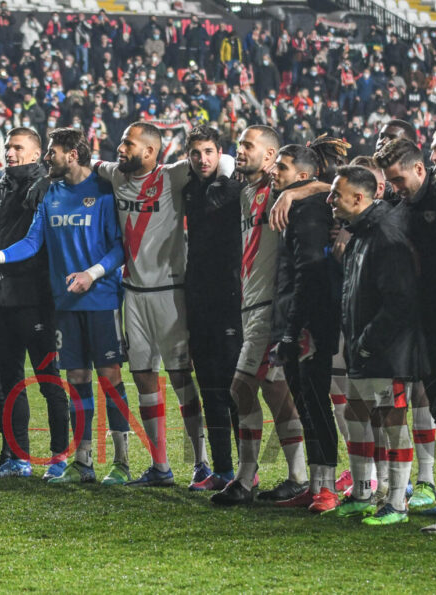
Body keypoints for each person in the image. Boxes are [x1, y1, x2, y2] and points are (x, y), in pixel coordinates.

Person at [0, 128, 134, 484]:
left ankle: (122, 462)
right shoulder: (51, 193)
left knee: (109, 378)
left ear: (72, 154)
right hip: (64, 304)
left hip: (101, 299)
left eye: (52, 153)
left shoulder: (103, 191)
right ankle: (83, 461)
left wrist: (92, 274)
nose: (47, 159)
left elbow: (120, 247)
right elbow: (32, 241)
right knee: (76, 379)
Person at [94, 122, 214, 487]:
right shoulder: (115, 175)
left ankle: (201, 462)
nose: (120, 148)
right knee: (144, 376)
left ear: (149, 151)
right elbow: (89, 166)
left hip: (169, 292)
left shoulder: (173, 176)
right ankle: (160, 466)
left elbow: (218, 164)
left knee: (180, 377)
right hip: (132, 293)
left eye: (128, 143)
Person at [210, 126, 307, 506]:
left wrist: (298, 189)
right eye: (240, 145)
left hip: (270, 306)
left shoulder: (279, 189)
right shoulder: (246, 191)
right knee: (270, 389)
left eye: (249, 146)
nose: (241, 150)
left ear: (271, 156)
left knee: (245, 388)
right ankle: (291, 476)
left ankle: (251, 478)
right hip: (251, 303)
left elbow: (324, 184)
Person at [328, 165, 427, 526]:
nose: (330, 201)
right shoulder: (360, 230)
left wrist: (369, 341)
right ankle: (362, 492)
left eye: (336, 195)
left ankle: (397, 502)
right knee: (357, 414)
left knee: (391, 421)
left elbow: (400, 301)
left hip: (388, 350)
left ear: (359, 198)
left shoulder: (386, 234)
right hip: (362, 344)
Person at [373, 138, 436, 514]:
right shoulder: (401, 205)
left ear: (420, 169)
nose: (396, 189)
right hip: (423, 321)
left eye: (399, 180)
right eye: (391, 182)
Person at [0, 127, 70, 480]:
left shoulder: (48, 187)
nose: (10, 153)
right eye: (7, 147)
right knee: (9, 385)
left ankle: (59, 459)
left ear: (35, 154)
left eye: (18, 147)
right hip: (2, 301)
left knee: (49, 381)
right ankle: (18, 459)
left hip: (37, 300)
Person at [269, 140, 347, 514]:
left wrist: (294, 328)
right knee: (306, 403)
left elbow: (310, 271)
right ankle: (317, 484)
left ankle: (328, 489)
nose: (274, 172)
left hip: (309, 323)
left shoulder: (309, 210)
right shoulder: (300, 202)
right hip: (297, 317)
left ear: (302, 175)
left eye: (281, 167)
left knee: (316, 403)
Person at [181, 125, 242, 491]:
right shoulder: (188, 188)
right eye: (196, 153)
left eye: (208, 151)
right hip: (199, 297)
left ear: (220, 153)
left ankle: (247, 471)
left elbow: (221, 196)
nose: (202, 159)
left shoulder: (233, 187)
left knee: (234, 389)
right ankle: (222, 469)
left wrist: (227, 170)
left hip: (230, 298)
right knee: (210, 388)